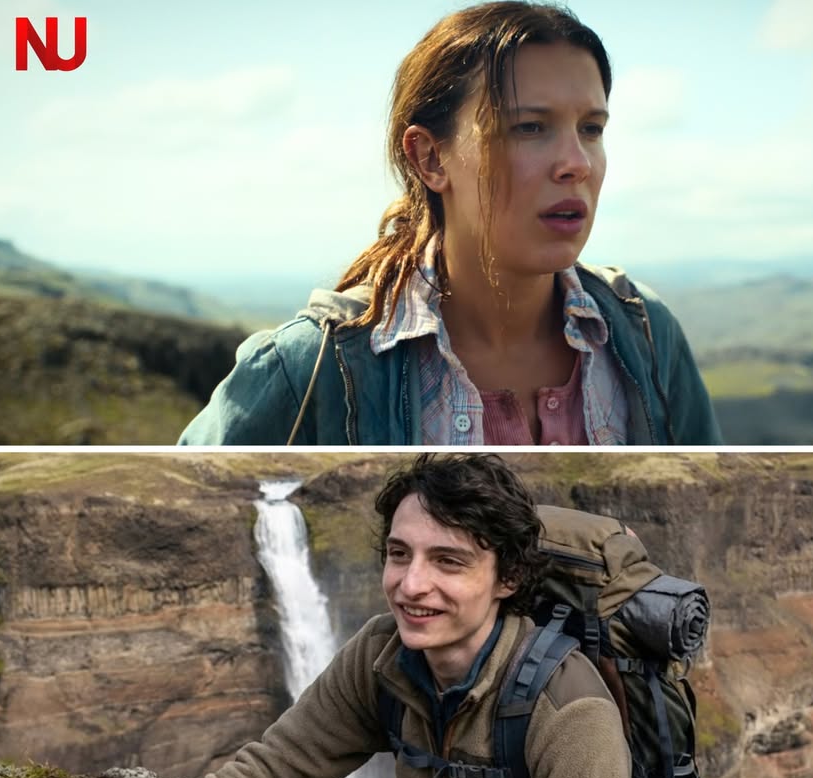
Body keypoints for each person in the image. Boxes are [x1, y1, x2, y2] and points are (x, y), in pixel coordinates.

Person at [33, 453, 639, 778]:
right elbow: (270, 774)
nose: (411, 585)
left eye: (448, 561)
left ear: (508, 579)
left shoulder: (568, 711)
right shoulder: (381, 655)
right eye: (399, 554)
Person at [177, 2, 718, 447]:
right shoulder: (314, 366)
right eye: (530, 127)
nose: (575, 162)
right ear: (430, 158)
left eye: (591, 129)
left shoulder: (645, 337)